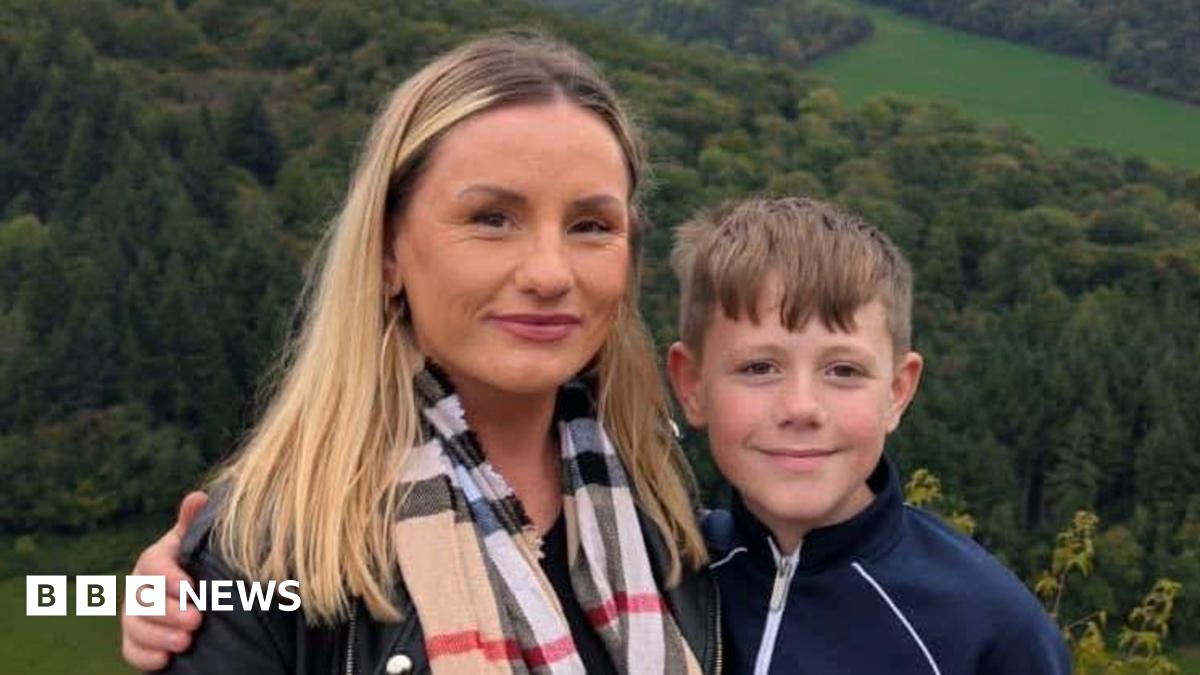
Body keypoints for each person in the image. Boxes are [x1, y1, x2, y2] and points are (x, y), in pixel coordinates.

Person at [120, 35, 721, 674]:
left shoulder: (669, 515)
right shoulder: (266, 551)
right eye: (493, 218)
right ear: (387, 253)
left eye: (591, 226)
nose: (549, 274)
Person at [664, 197, 1071, 674]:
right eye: (759, 367)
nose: (801, 408)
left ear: (898, 391)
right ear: (691, 385)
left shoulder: (989, 632)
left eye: (843, 370)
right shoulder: (659, 574)